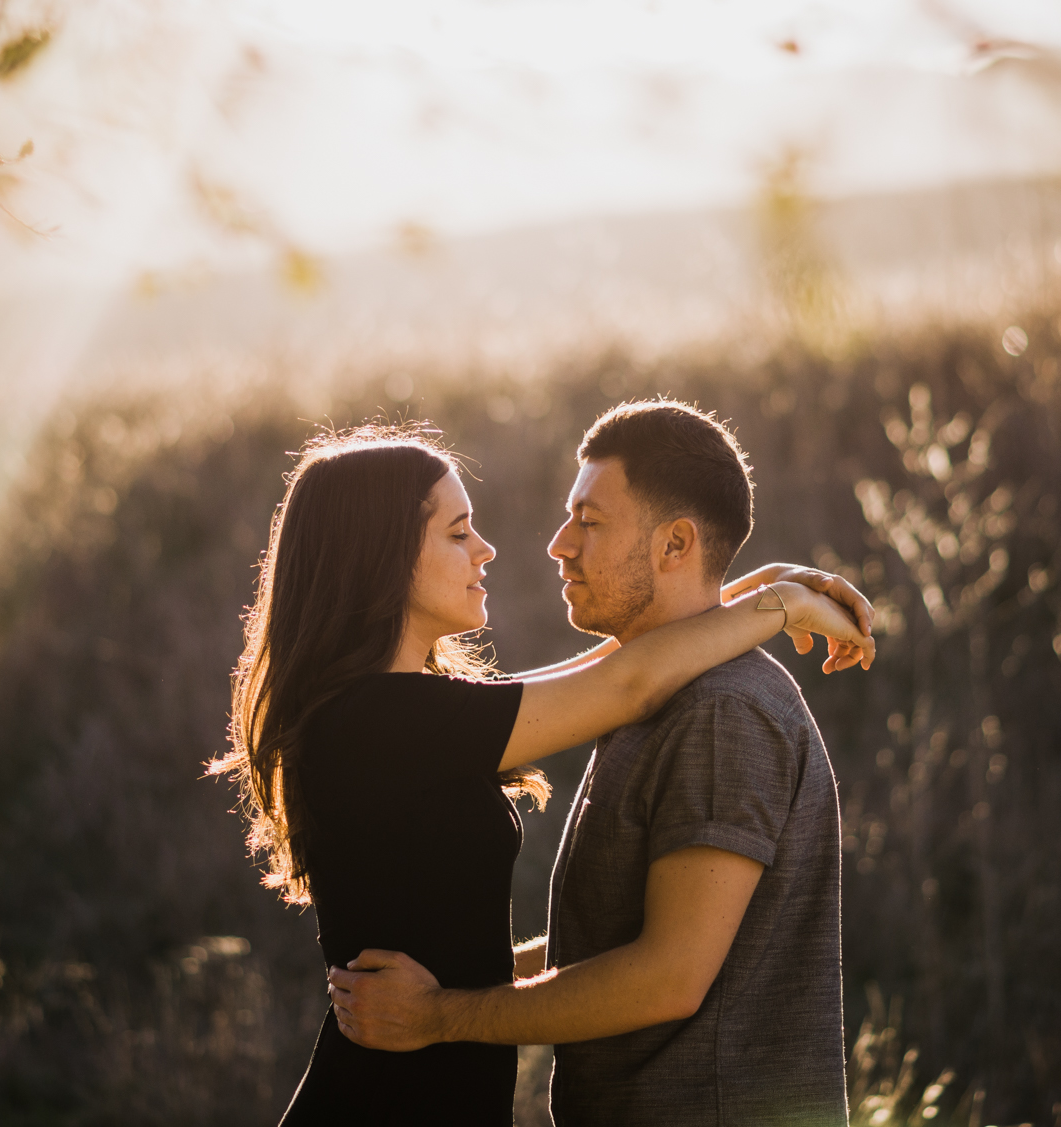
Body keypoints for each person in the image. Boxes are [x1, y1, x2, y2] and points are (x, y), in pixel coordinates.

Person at [209, 422, 874, 1127]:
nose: (490, 547)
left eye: (587, 520)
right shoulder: (380, 719)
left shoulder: (406, 711)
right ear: (380, 556)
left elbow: (611, 673)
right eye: (459, 531)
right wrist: (777, 606)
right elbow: (623, 681)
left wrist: (746, 591)